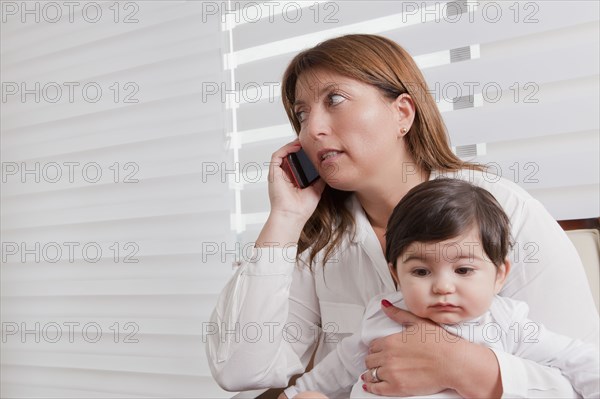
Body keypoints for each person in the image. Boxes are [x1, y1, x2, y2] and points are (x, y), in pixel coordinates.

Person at [206, 34, 599, 398]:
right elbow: (240, 372)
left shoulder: (506, 210)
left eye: (335, 100)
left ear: (403, 113)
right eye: (302, 115)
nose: (313, 129)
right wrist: (285, 219)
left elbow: (584, 380)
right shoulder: (318, 240)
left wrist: (466, 368)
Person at [285, 178, 599, 399]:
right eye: (420, 271)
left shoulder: (506, 323)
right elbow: (334, 372)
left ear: (499, 274)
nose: (443, 286)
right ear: (396, 274)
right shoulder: (381, 317)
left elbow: (579, 360)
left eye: (463, 270)